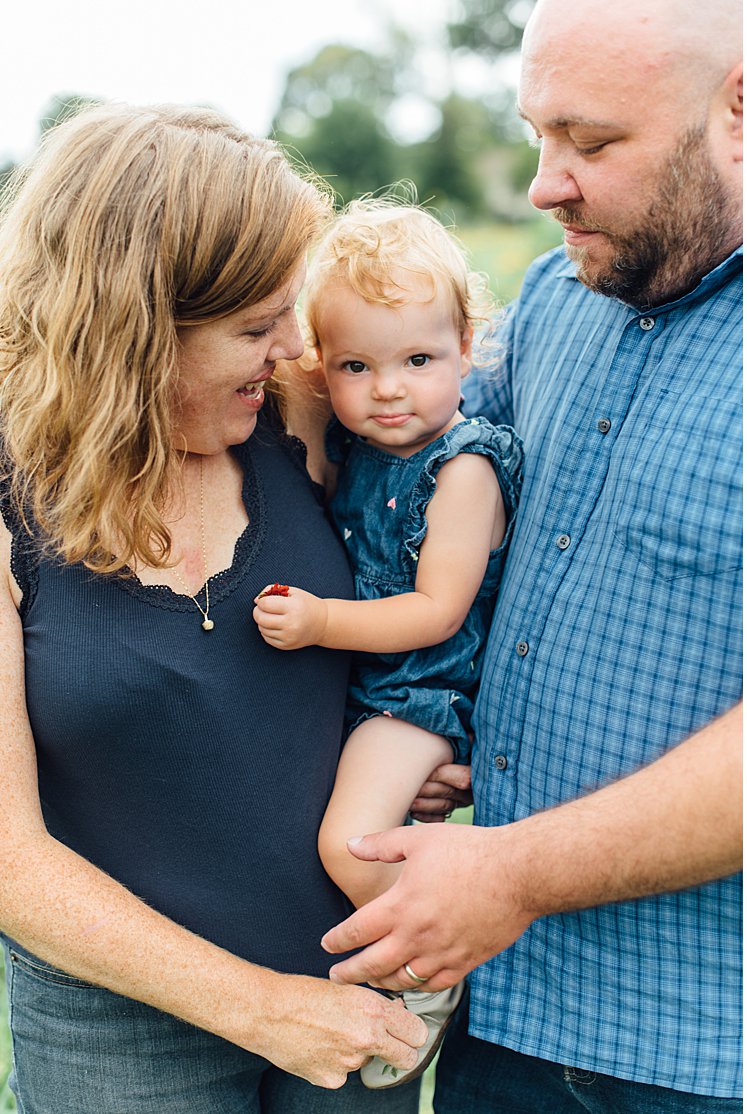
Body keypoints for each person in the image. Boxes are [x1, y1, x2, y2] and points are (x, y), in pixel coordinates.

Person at [317, 0, 745, 1109]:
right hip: (494, 1004)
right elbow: (442, 500)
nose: (544, 184)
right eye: (538, 135)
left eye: (592, 143)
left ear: (744, 112)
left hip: (681, 1046)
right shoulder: (558, 295)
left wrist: (513, 868)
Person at [0, 103, 428, 1112]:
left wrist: (423, 731)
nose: (293, 346)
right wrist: (259, 1006)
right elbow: (9, 857)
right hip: (121, 1040)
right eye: (252, 326)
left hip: (351, 993)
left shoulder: (300, 416)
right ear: (132, 330)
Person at [251, 201, 522, 1089]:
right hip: (376, 692)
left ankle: (426, 970)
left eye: (418, 360)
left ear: (466, 349)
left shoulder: (465, 465)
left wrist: (324, 622)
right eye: (358, 366)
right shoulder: (359, 445)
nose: (390, 388)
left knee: (350, 845)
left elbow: (437, 608)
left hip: (418, 691)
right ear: (323, 367)